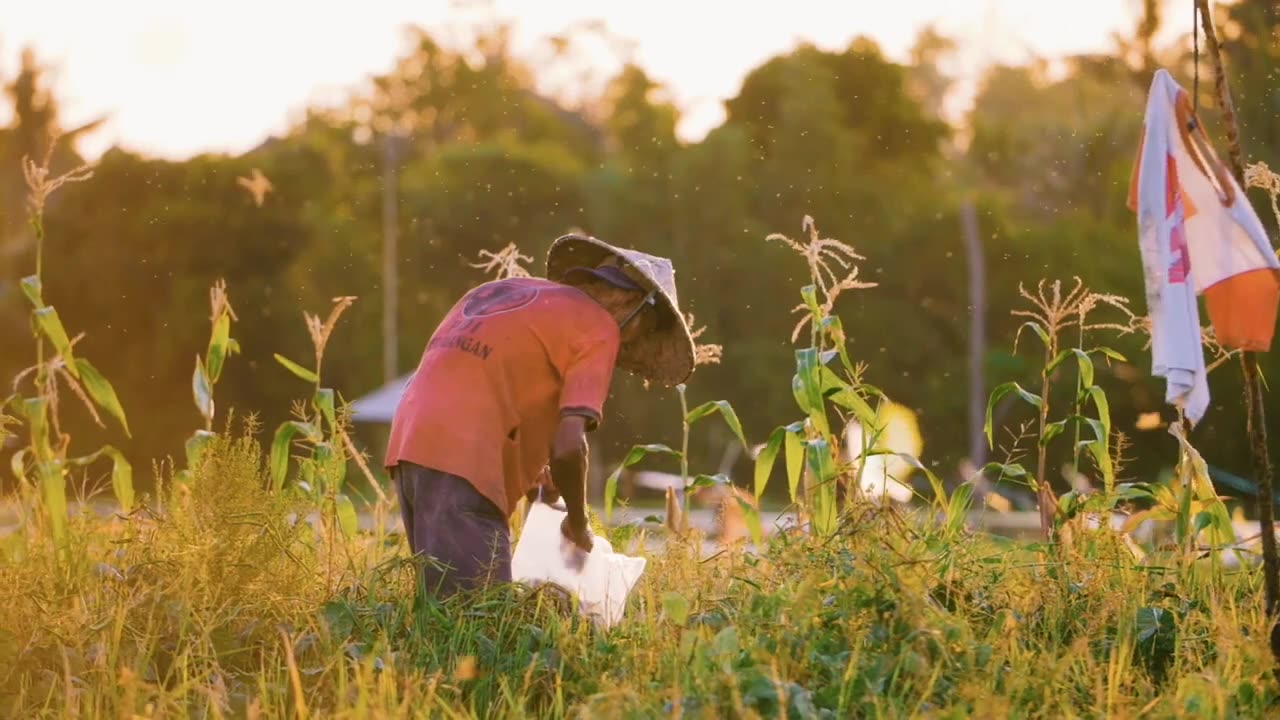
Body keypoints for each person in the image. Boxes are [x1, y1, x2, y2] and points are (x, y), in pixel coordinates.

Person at [384, 233, 696, 598]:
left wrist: (535, 476)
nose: (635, 344)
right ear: (635, 303)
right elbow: (569, 445)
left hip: (410, 446)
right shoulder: (600, 327)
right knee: (477, 623)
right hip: (464, 461)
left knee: (441, 613)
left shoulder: (507, 292)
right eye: (650, 328)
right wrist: (578, 524)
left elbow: (479, 379)